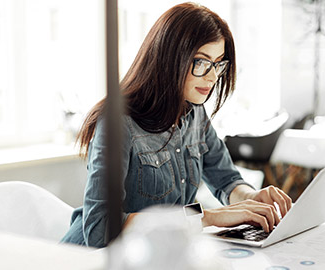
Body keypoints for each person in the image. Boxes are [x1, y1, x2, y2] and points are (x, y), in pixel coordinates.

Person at [61, 2, 292, 248]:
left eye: (218, 64)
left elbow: (225, 179)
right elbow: (100, 229)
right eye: (202, 62)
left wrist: (251, 198)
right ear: (170, 59)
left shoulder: (195, 113)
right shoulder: (118, 123)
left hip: (160, 255)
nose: (213, 77)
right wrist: (208, 217)